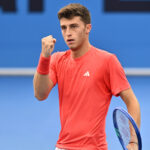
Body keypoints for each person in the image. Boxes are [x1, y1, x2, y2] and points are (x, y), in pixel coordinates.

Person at [33, 3, 141, 150]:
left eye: (74, 26)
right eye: (64, 28)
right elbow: (40, 94)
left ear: (87, 28)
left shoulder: (107, 61)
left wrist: (133, 141)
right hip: (62, 147)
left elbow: (132, 101)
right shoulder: (56, 60)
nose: (68, 33)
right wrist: (44, 58)